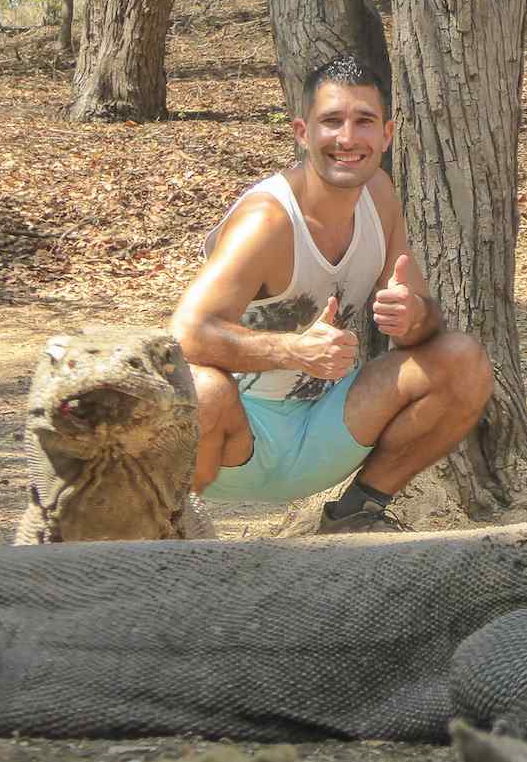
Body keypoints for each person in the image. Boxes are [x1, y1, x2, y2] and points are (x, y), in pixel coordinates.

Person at [171, 55, 493, 533]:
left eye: (363, 121)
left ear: (386, 134)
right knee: (205, 389)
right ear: (303, 132)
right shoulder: (268, 220)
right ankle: (172, 525)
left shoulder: (380, 196)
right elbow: (184, 336)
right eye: (331, 121)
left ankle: (356, 512)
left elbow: (423, 330)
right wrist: (292, 350)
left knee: (462, 359)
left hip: (327, 428)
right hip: (234, 443)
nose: (347, 139)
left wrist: (413, 315)